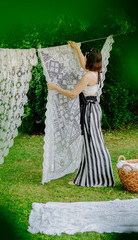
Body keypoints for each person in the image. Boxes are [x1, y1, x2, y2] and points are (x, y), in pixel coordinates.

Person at [46, 41, 115, 188]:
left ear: (90, 61)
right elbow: (84, 66)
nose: (84, 58)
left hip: (90, 111)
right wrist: (77, 48)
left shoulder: (88, 77)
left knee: (92, 143)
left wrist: (54, 87)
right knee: (92, 142)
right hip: (94, 109)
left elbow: (72, 94)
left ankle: (97, 176)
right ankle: (89, 175)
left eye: (86, 56)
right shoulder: (97, 73)